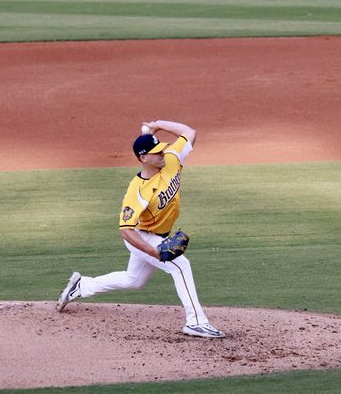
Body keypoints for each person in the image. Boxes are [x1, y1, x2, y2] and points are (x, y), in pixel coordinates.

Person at [56, 120, 225, 338]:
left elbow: (189, 132)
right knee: (180, 266)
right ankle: (196, 322)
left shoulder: (172, 159)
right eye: (156, 152)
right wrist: (154, 252)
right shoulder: (137, 191)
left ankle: (81, 286)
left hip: (159, 235)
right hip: (141, 237)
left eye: (162, 149)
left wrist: (157, 124)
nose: (162, 153)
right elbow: (126, 230)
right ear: (143, 158)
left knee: (133, 280)